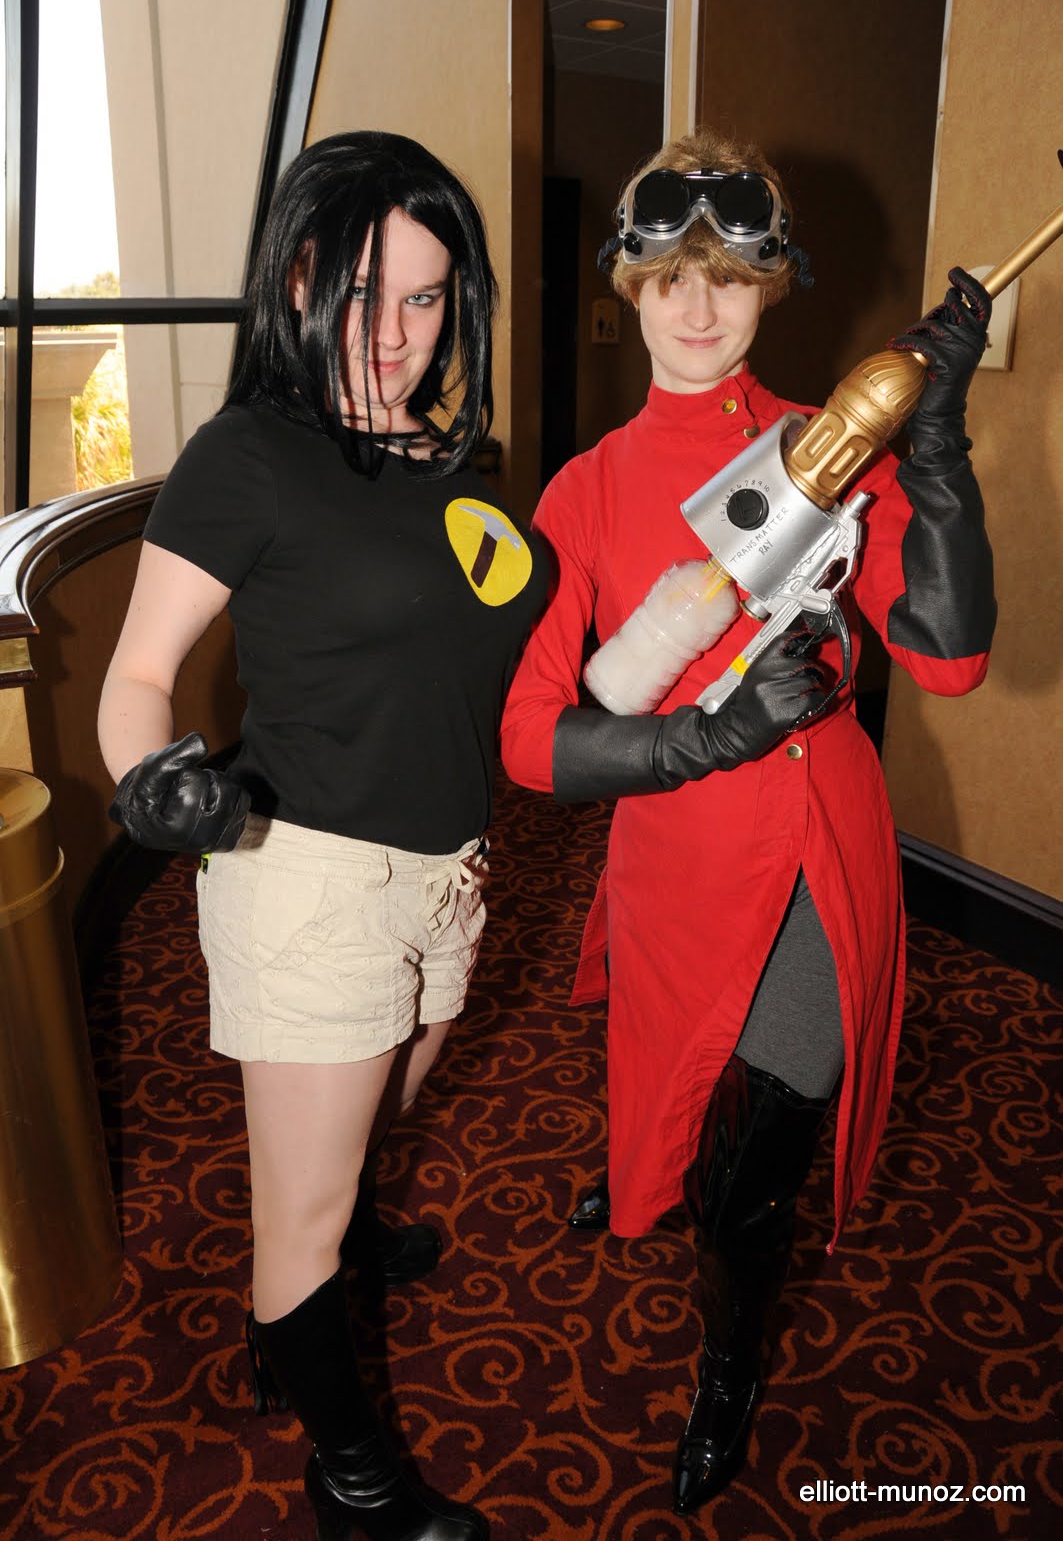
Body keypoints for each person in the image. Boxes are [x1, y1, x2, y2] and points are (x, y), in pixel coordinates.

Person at [499, 127, 995, 1516]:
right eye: (671, 275)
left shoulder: (829, 449)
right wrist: (704, 737)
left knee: (749, 1170)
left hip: (822, 853)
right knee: (670, 1076)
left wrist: (936, 448)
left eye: (728, 274)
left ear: (771, 286)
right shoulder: (587, 488)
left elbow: (951, 659)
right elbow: (531, 738)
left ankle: (729, 1361)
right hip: (674, 856)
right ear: (631, 286)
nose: (699, 305)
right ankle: (641, 1173)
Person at [99, 131, 548, 1541]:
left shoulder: (453, 460)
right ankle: (354, 1479)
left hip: (446, 873)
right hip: (306, 877)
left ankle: (324, 1260)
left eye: (424, 299)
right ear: (296, 282)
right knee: (301, 1209)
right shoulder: (249, 455)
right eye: (361, 297)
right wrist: (151, 781)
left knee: (367, 1133)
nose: (393, 337)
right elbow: (136, 675)